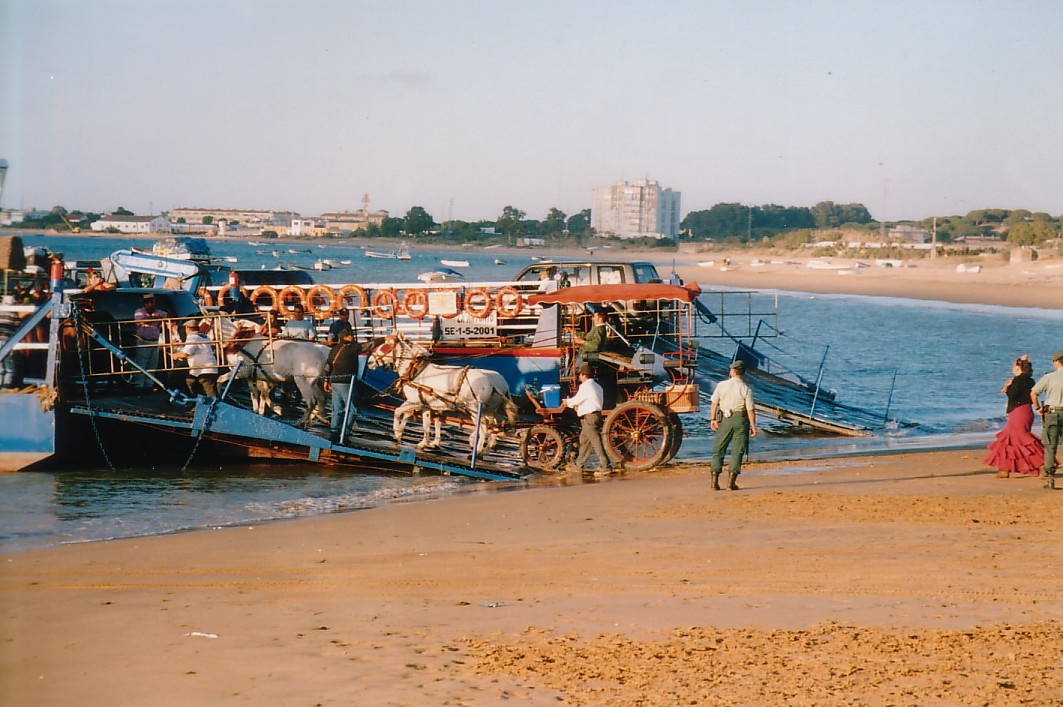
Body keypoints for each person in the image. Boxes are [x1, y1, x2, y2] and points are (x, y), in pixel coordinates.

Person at [983, 355, 1043, 478]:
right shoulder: (1030, 380)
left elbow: (1013, 395)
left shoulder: (1018, 380)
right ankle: (1004, 469)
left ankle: (1042, 463)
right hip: (1026, 411)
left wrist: (1009, 386)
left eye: (1013, 366)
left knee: (1019, 439)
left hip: (1018, 412)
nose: (1012, 368)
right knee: (1011, 439)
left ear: (1018, 367)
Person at [561, 364, 622, 476]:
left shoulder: (585, 386)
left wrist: (567, 402)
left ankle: (605, 466)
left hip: (589, 417)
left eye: (580, 375)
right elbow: (588, 401)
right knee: (584, 441)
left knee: (595, 441)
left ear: (583, 375)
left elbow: (577, 399)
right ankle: (578, 465)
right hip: (595, 416)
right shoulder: (597, 386)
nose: (579, 377)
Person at [709, 360, 757, 490]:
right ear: (743, 373)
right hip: (740, 419)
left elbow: (714, 403)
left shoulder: (721, 385)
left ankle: (714, 482)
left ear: (732, 371)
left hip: (725, 418)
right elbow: (750, 410)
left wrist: (712, 419)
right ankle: (731, 483)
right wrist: (753, 426)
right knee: (737, 451)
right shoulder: (746, 389)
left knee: (719, 448)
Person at [322, 327, 363, 443]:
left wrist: (326, 380)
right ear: (345, 337)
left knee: (337, 409)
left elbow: (328, 365)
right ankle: (345, 433)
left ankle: (334, 433)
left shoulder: (334, 349)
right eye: (350, 335)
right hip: (346, 383)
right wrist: (384, 339)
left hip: (334, 382)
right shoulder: (352, 349)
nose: (353, 337)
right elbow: (368, 345)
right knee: (353, 409)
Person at [1031, 350, 1063, 490]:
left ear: (1056, 362)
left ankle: (1050, 478)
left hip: (1053, 413)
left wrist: (1037, 407)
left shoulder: (1049, 377)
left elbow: (1033, 392)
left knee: (1050, 446)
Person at [170, 320, 220, 398]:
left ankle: (213, 407)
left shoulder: (192, 337)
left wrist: (175, 355)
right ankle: (196, 402)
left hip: (204, 369)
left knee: (210, 392)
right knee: (191, 381)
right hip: (203, 368)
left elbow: (187, 353)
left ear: (188, 328)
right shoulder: (205, 337)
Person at [132, 294, 168, 391]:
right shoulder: (139, 312)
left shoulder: (157, 312)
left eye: (154, 302)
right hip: (143, 341)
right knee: (142, 364)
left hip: (154, 341)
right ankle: (139, 385)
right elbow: (142, 320)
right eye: (151, 302)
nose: (153, 304)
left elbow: (167, 315)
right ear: (146, 303)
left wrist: (159, 318)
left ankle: (149, 385)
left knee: (152, 365)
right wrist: (156, 318)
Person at [0, 295, 22, 388]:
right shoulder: (13, 314)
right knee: (10, 368)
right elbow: (18, 328)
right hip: (8, 342)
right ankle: (5, 388)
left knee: (0, 368)